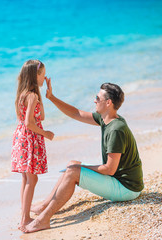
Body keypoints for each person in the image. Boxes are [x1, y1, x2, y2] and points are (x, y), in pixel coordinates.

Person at [22, 80, 144, 233]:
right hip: (120, 182)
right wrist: (51, 97)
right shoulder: (106, 118)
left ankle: (43, 220)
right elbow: (75, 113)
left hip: (127, 189)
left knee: (73, 170)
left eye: (97, 98)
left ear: (108, 103)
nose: (94, 100)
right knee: (72, 164)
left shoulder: (116, 130)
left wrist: (78, 169)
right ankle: (44, 206)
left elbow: (109, 170)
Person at [11, 60, 55, 230]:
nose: (45, 78)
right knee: (32, 178)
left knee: (26, 177)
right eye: (43, 75)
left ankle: (24, 215)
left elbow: (40, 116)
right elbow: (31, 122)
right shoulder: (32, 96)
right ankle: (25, 220)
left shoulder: (23, 94)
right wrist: (46, 134)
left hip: (21, 136)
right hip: (30, 137)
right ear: (35, 75)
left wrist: (45, 93)